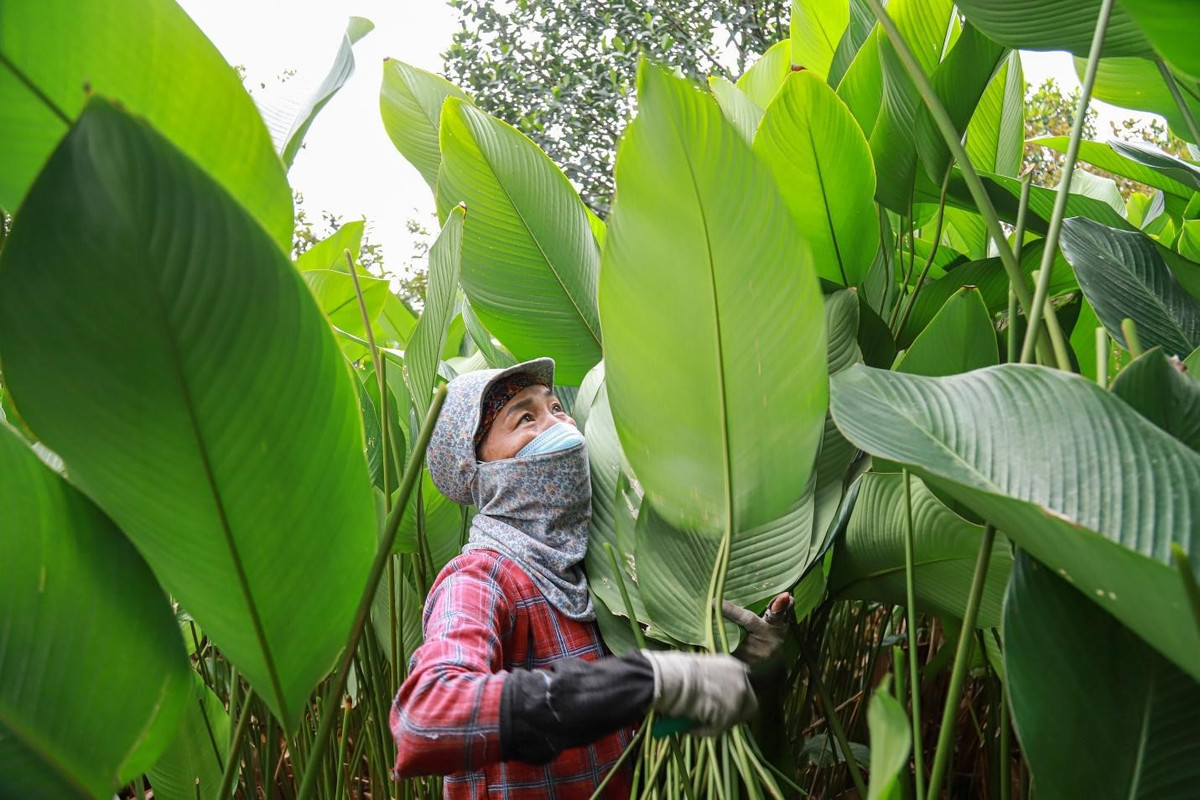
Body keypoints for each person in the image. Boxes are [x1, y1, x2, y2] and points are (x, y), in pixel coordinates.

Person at [390, 358, 793, 798]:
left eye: (556, 408)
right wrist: (648, 677)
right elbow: (425, 717)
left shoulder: (598, 573)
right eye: (525, 417)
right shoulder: (478, 579)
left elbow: (633, 723)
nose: (561, 427)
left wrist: (741, 665)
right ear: (481, 472)